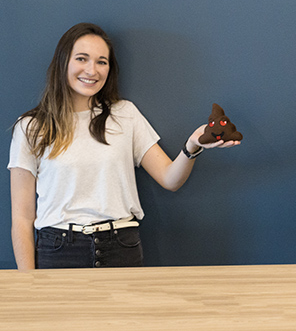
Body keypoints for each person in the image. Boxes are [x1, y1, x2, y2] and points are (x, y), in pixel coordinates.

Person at [8, 23, 240, 270]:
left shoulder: (125, 114)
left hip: (120, 246)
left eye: (101, 62)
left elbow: (170, 179)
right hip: (58, 250)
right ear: (63, 61)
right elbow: (22, 217)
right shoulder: (31, 127)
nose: (92, 70)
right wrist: (27, 280)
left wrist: (192, 146)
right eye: (82, 58)